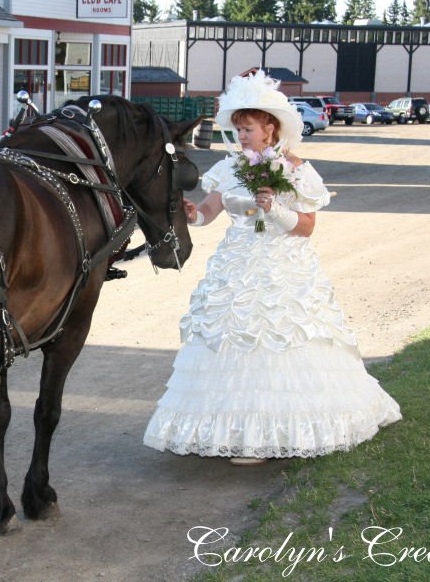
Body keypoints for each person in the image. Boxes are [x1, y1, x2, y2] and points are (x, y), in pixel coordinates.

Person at [143, 70, 401, 465]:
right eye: (238, 129)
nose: (241, 135)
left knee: (281, 335)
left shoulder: (296, 169)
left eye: (247, 129)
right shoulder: (230, 168)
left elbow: (307, 227)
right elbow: (210, 212)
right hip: (237, 264)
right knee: (228, 336)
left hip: (282, 266)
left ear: (270, 128)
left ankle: (271, 433)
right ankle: (231, 430)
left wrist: (275, 209)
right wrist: (193, 214)